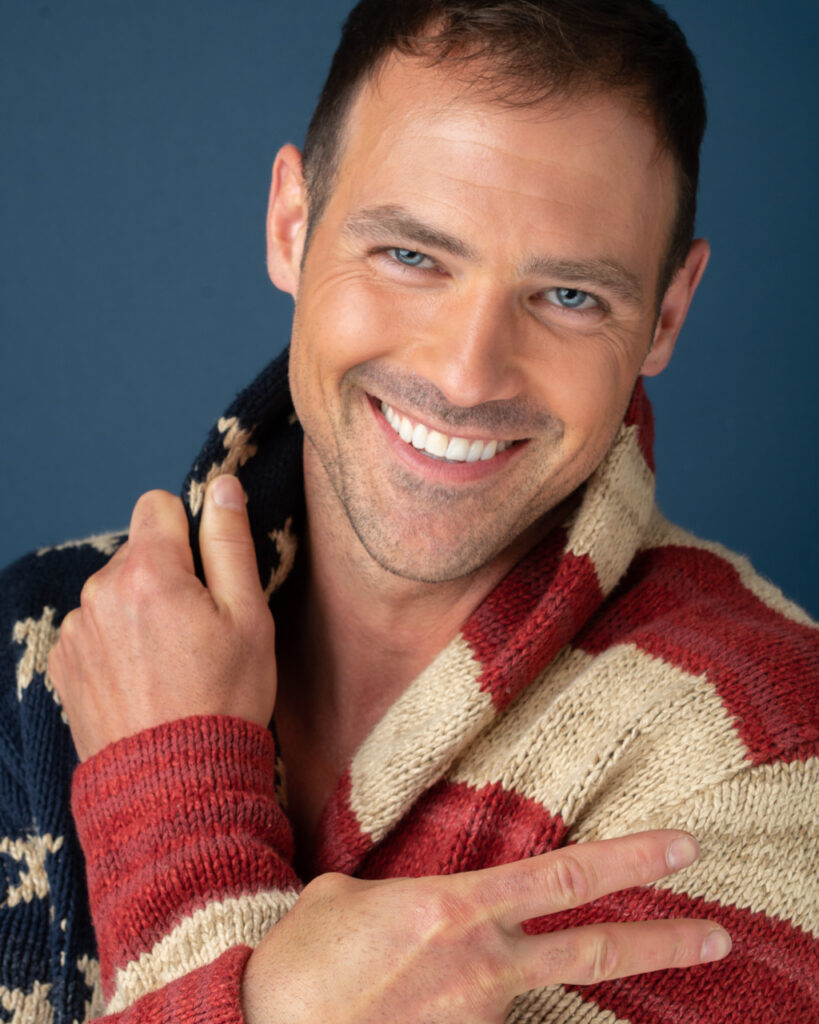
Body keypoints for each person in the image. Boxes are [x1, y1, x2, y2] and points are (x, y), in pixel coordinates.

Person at [1, 1, 816, 1022]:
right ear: (291, 224)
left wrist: (174, 804)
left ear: (666, 314)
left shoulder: (768, 749)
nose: (467, 374)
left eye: (569, 296)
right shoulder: (41, 638)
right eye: (411, 256)